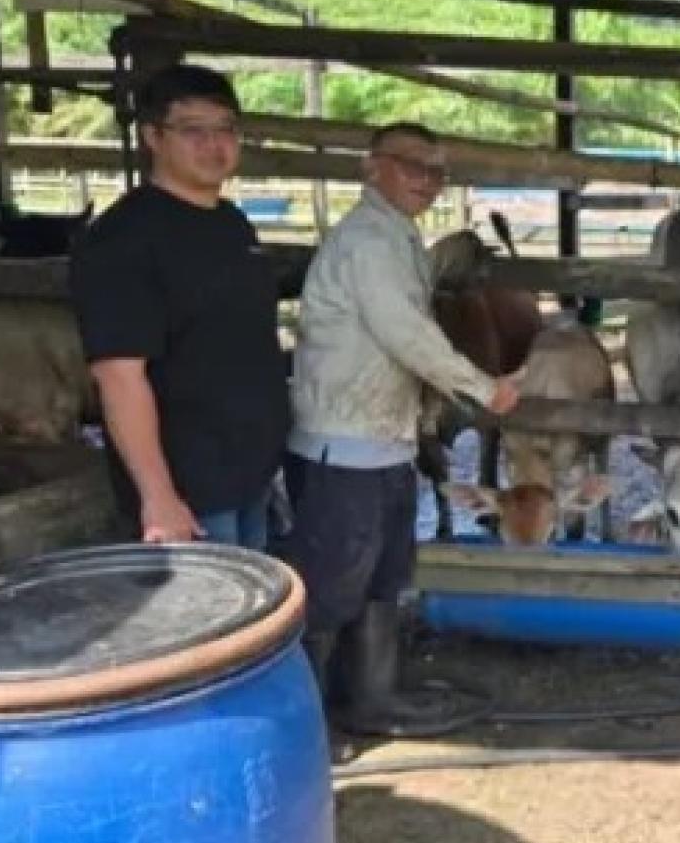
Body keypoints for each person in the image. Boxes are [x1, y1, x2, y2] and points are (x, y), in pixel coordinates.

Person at [283, 122, 520, 734]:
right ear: (372, 167)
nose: (426, 180)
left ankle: (373, 700)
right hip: (345, 440)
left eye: (436, 171)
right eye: (411, 164)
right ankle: (307, 726)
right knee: (333, 587)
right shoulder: (368, 241)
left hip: (383, 438)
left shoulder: (399, 238)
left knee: (384, 575)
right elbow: (406, 334)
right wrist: (483, 386)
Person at [70, 63, 287, 550]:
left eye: (226, 129)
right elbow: (120, 376)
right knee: (218, 621)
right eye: (193, 131)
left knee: (264, 615)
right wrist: (159, 496)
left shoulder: (232, 225)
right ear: (153, 136)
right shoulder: (123, 240)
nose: (214, 145)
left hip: (248, 474)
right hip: (191, 490)